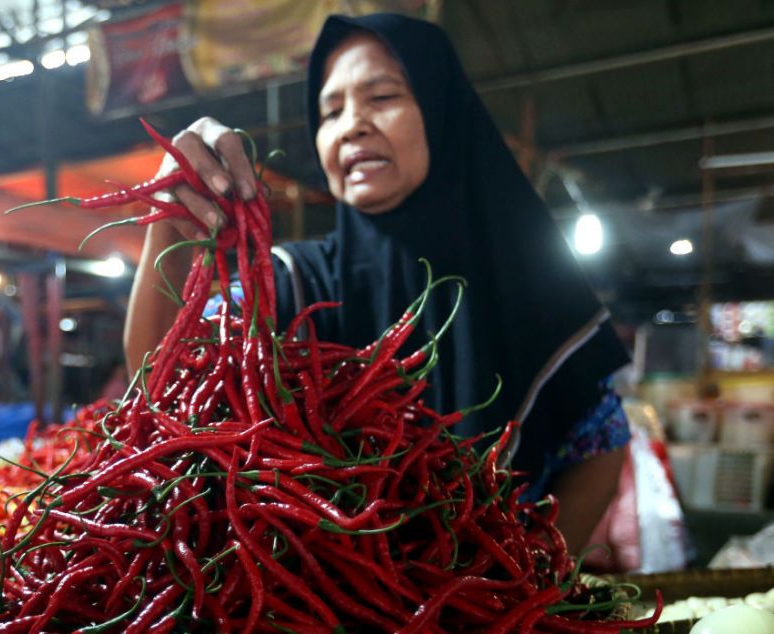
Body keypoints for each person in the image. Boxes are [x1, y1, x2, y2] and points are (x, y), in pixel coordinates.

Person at [124, 13, 630, 553]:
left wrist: (537, 575)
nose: (352, 125)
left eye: (382, 97)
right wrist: (168, 232)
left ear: (442, 111)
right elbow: (159, 386)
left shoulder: (529, 281)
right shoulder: (294, 282)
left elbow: (601, 442)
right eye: (331, 110)